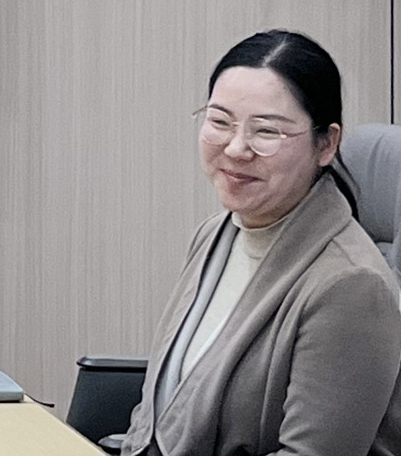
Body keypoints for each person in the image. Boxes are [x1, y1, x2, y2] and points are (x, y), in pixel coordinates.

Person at [121, 30, 401, 456]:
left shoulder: (352, 286)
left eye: (266, 131)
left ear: (327, 144)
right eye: (219, 122)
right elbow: (163, 404)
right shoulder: (217, 233)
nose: (236, 148)